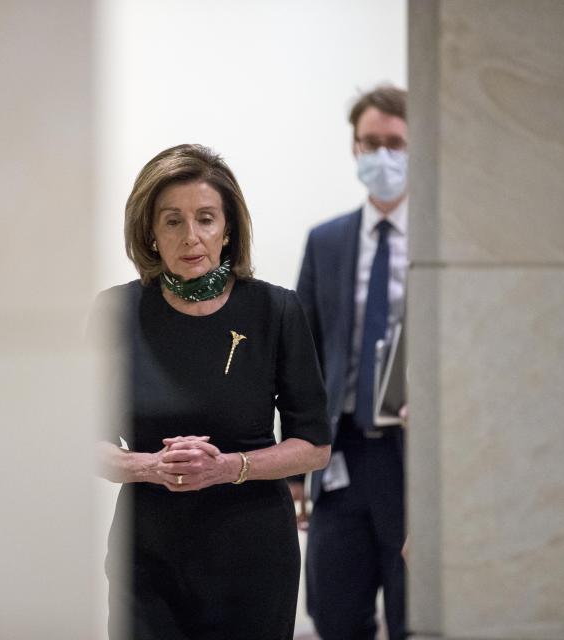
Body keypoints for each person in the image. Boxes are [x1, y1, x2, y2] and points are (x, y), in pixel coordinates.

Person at [94, 143, 331, 640]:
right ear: (150, 233)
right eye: (173, 220)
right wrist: (150, 468)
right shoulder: (115, 313)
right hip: (148, 558)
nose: (192, 236)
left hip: (253, 557)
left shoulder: (277, 311)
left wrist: (228, 467)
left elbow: (314, 446)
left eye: (206, 218)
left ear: (228, 229)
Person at [292, 85, 409, 640]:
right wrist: (293, 474)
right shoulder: (327, 242)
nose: (382, 156)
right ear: (354, 148)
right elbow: (302, 360)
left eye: (395, 143)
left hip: (417, 459)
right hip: (341, 456)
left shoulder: (444, 241)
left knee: (419, 614)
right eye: (370, 143)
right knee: (335, 615)